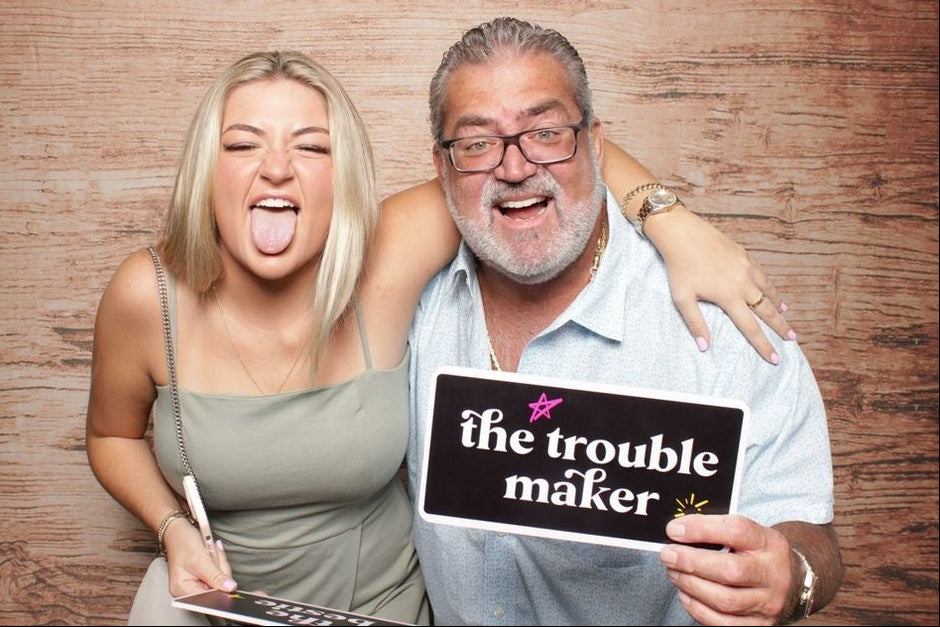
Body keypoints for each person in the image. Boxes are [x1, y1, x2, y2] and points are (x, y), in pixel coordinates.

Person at [85, 49, 793, 625]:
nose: (277, 167)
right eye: (242, 144)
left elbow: (546, 152)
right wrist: (171, 526)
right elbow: (111, 437)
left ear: (345, 178)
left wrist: (673, 221)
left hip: (381, 610)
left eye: (311, 146)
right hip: (219, 604)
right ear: (207, 170)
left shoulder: (386, 258)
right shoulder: (147, 295)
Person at [406, 17, 843, 626]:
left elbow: (810, 534)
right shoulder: (409, 303)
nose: (513, 168)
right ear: (443, 163)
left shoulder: (722, 319)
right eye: (477, 143)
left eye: (547, 132)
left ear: (596, 143)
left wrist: (790, 576)